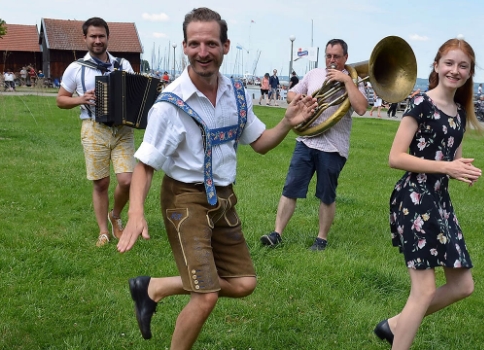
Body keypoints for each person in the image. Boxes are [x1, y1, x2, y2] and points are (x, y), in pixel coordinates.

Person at [117, 7, 317, 349]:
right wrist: (135, 212)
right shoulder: (171, 104)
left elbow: (261, 144)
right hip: (184, 199)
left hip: (223, 198)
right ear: (184, 46)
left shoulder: (236, 94)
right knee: (206, 295)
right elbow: (146, 165)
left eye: (211, 43)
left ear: (225, 45)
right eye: (194, 43)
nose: (203, 52)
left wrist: (287, 122)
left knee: (243, 282)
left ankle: (155, 287)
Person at [373, 38, 482, 350]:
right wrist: (447, 167)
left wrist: (461, 169)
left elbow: (453, 158)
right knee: (423, 290)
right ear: (436, 66)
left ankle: (395, 325)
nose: (455, 70)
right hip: (414, 198)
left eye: (463, 65)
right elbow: (396, 157)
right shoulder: (421, 104)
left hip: (440, 201)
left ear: (470, 72)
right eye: (449, 63)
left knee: (463, 285)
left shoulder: (460, 112)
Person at [260, 38, 368, 251]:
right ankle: (277, 233)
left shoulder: (356, 81)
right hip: (306, 141)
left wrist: (347, 81)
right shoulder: (314, 74)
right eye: (328, 56)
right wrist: (303, 99)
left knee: (326, 194)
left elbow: (362, 108)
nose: (332, 60)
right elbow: (291, 94)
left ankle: (321, 239)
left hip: (333, 147)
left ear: (346, 58)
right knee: (290, 188)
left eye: (336, 56)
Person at [56, 17, 135, 247]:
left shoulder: (123, 65)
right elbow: (60, 100)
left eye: (101, 36)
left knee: (127, 180)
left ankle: (116, 215)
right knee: (101, 184)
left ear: (108, 37)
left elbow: (133, 93)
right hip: (93, 129)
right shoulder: (76, 68)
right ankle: (103, 231)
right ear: (85, 39)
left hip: (122, 130)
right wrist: (81, 99)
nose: (98, 40)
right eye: (93, 36)